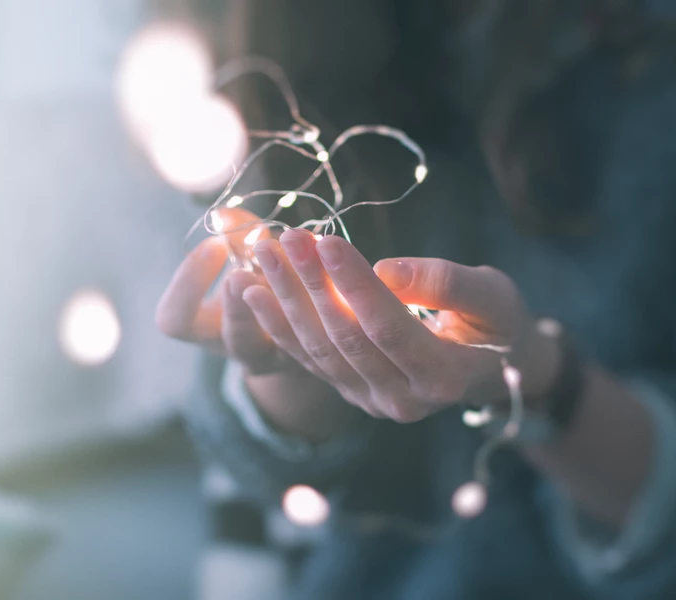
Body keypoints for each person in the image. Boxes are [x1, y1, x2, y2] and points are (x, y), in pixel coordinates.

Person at [157, 1, 676, 597]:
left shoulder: (648, 73)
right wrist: (284, 368)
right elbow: (258, 472)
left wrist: (535, 376)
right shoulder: (269, 48)